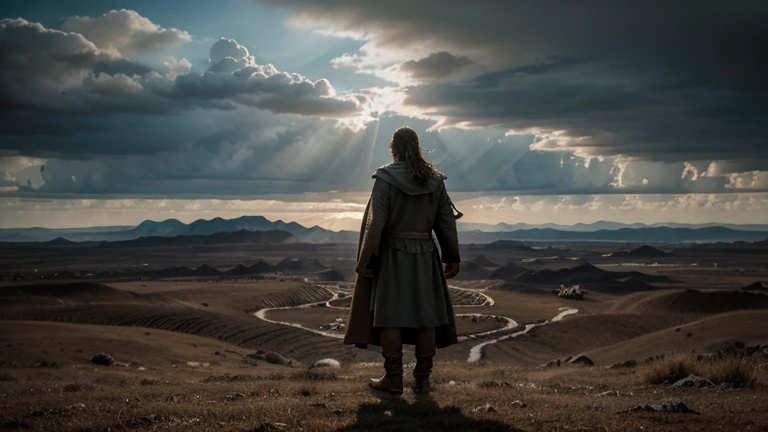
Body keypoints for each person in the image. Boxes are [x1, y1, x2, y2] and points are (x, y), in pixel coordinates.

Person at [343, 126, 462, 395]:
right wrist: (452, 256)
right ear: (417, 147)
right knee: (425, 317)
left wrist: (367, 260)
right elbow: (445, 222)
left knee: (391, 317)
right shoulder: (435, 181)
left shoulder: (385, 179)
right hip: (425, 255)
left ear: (393, 148)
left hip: (392, 255)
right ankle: (422, 380)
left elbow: (376, 224)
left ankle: (394, 379)